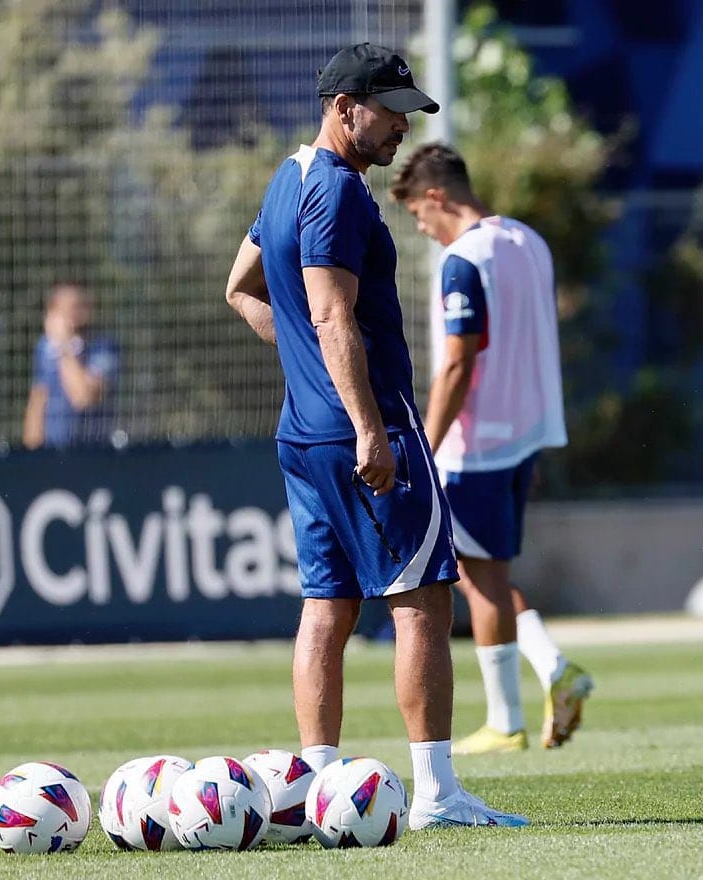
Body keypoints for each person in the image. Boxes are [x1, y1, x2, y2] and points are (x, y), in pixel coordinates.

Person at [222, 43, 527, 829]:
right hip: (369, 425)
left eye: (406, 111)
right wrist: (367, 426)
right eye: (389, 110)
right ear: (343, 108)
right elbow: (329, 313)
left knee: (327, 606)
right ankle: (437, 795)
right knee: (422, 600)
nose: (401, 125)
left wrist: (302, 362)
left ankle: (316, 790)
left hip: (302, 433)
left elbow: (240, 289)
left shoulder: (286, 180)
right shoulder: (338, 194)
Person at [390, 144, 594, 754]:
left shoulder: (462, 260)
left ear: (435, 197)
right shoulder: (530, 242)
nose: (422, 230)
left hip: (475, 445)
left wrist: (426, 443)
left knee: (477, 582)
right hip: (528, 434)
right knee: (489, 574)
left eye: (418, 217)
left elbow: (458, 361)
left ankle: (507, 720)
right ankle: (553, 670)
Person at [22, 282, 119, 450]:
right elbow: (37, 399)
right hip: (50, 452)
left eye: (78, 306)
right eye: (64, 309)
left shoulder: (104, 348)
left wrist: (64, 345)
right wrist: (31, 453)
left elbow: (83, 398)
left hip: (91, 451)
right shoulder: (44, 348)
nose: (74, 313)